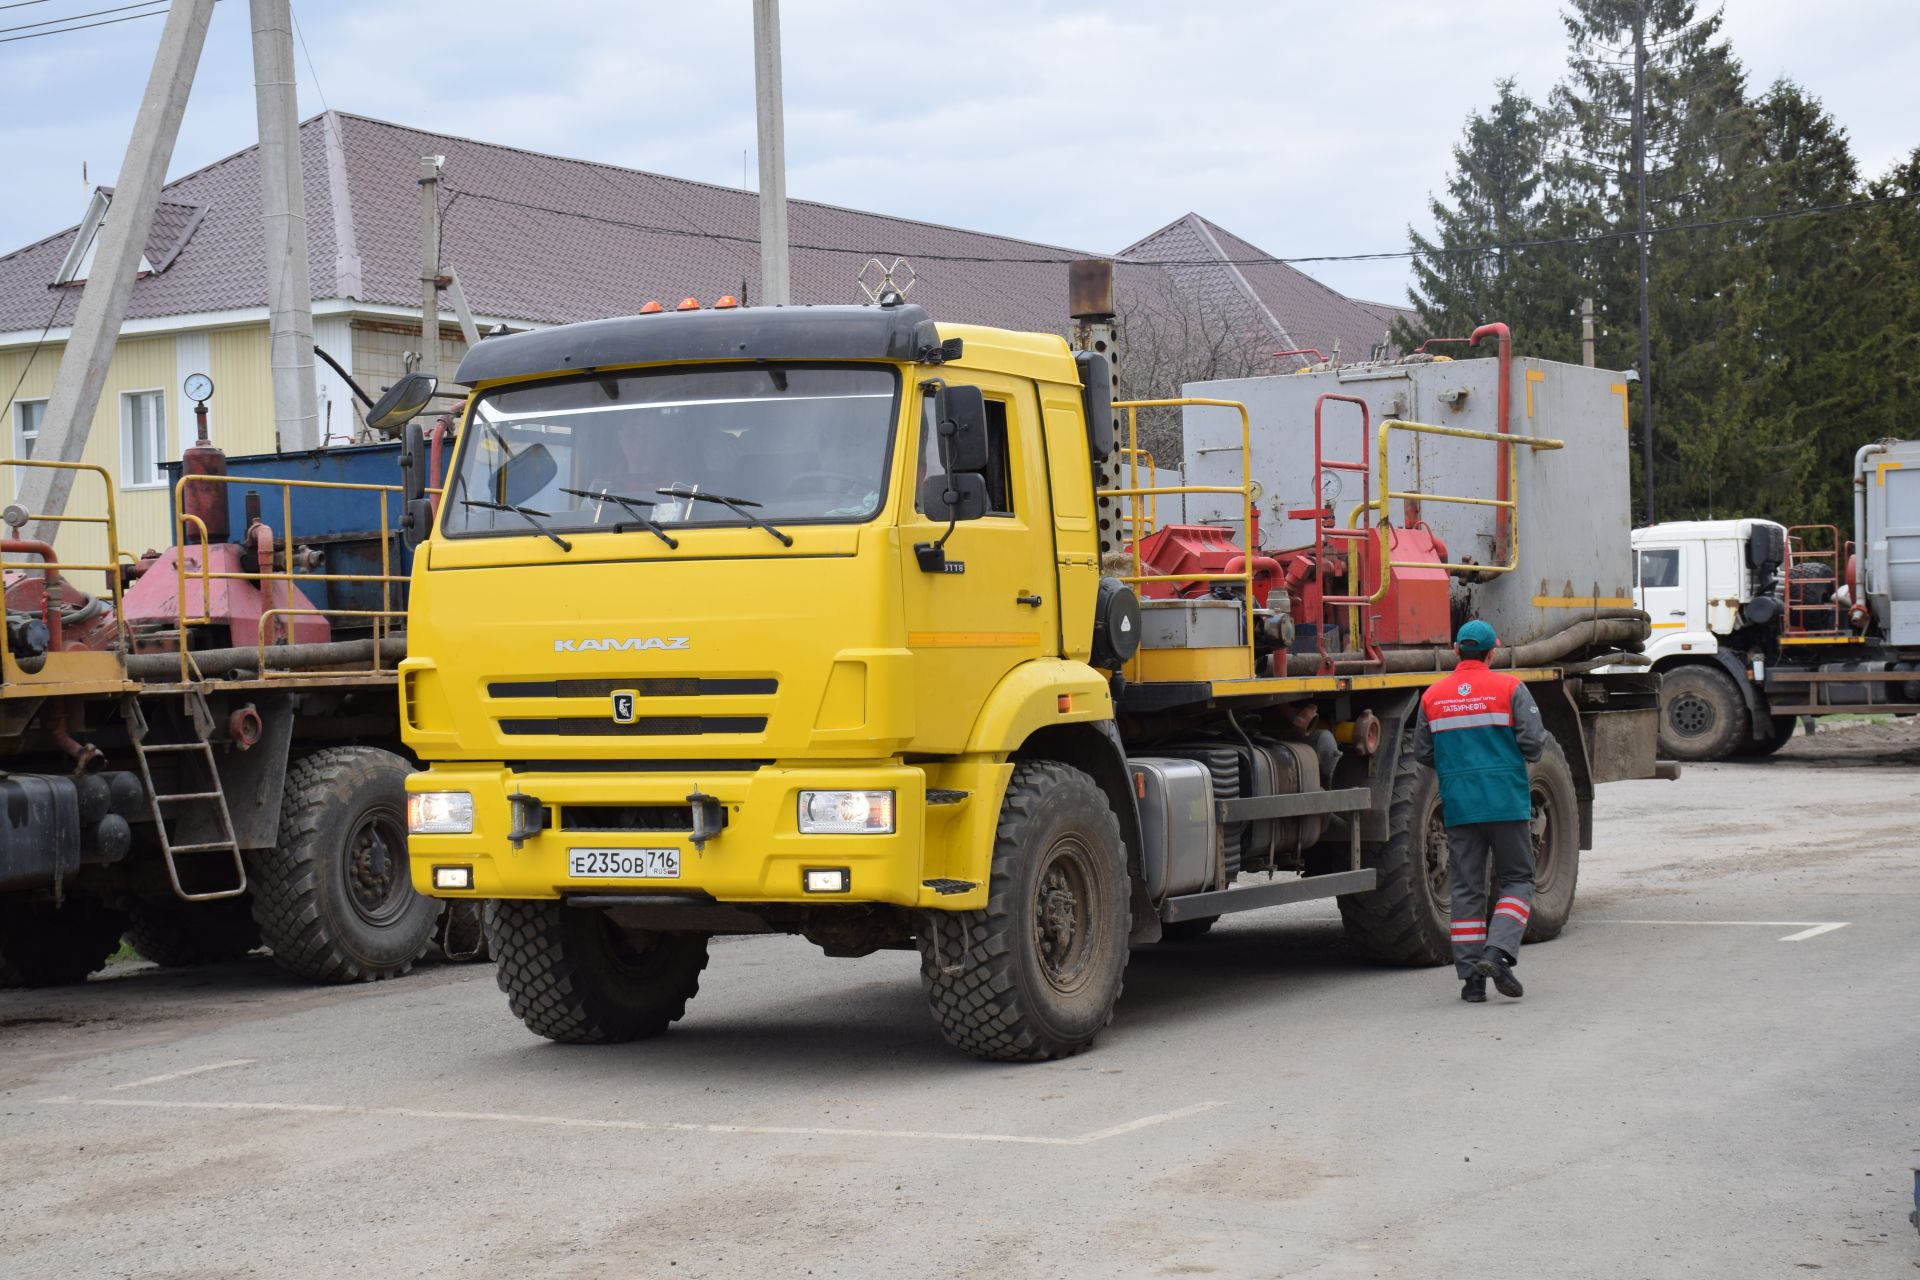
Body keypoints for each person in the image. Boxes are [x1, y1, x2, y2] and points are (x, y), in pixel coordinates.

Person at [1412, 619, 1546, 1004]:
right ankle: (1497, 952)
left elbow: (1423, 752)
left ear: (1456, 651)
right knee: (1518, 879)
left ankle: (1472, 982)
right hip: (1505, 801)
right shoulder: (1510, 688)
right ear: (1493, 652)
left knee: (1467, 889)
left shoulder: (1432, 696)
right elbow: (1533, 744)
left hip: (1460, 805)